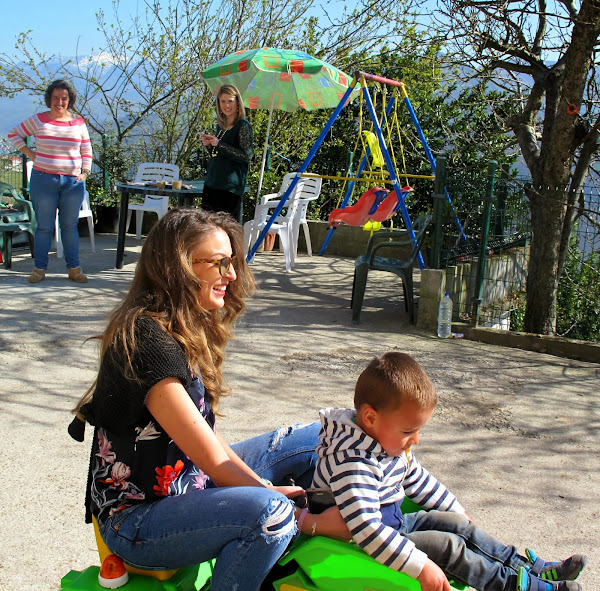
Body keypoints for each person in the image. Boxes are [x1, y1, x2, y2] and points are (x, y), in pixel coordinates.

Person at [67, 209, 345, 591]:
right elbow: (213, 461)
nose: (231, 275)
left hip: (188, 481)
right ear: (178, 266)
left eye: (232, 262)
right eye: (220, 263)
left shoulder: (182, 323)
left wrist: (261, 487)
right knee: (272, 516)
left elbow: (208, 443)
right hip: (138, 519)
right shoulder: (147, 342)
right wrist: (276, 500)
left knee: (322, 436)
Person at [311, 352, 587, 591]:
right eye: (408, 431)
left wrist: (457, 513)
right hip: (361, 543)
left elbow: (418, 480)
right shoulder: (353, 463)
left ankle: (526, 568)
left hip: (393, 526)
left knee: (456, 525)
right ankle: (514, 585)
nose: (416, 440)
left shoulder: (385, 443)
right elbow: (367, 530)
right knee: (448, 547)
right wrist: (420, 567)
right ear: (370, 418)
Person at [7, 79, 92, 284]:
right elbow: (13, 134)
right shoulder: (38, 120)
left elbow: (86, 148)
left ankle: (74, 269)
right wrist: (31, 154)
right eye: (55, 98)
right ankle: (39, 269)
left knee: (69, 227)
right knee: (44, 227)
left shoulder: (78, 122)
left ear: (69, 100)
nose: (59, 102)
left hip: (73, 182)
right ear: (49, 99)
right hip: (43, 180)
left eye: (64, 98)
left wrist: (85, 172)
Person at [201, 84, 252, 222]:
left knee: (227, 228)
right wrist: (209, 145)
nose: (226, 105)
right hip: (212, 184)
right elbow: (220, 155)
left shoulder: (243, 126)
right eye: (223, 101)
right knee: (207, 227)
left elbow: (246, 155)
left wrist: (220, 144)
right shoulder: (222, 126)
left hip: (230, 188)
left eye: (230, 101)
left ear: (237, 102)